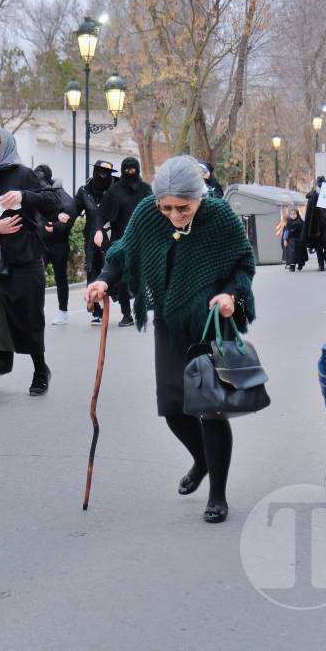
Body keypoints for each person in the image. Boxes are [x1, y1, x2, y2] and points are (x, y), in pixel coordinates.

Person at [85, 156, 257, 524]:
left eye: (183, 207)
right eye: (167, 207)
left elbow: (244, 265)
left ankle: (218, 495)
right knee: (173, 408)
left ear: (199, 197)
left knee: (209, 408)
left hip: (212, 319)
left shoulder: (221, 218)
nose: (175, 214)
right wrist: (103, 280)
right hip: (169, 317)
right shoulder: (149, 212)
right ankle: (201, 460)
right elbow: (123, 253)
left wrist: (231, 296)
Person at [0, 125, 60, 407]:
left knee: (30, 321)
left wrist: (23, 197)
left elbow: (54, 203)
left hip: (25, 263)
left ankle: (40, 369)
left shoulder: (23, 174)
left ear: (6, 145)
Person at [107, 157, 152, 327]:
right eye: (127, 169)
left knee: (140, 277)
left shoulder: (146, 190)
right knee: (121, 280)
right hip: (120, 240)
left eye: (133, 169)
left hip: (142, 241)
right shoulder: (115, 191)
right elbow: (104, 213)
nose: (130, 172)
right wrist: (98, 231)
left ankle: (139, 310)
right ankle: (126, 314)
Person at [33, 164, 76, 326]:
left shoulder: (60, 194)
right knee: (36, 278)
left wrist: (57, 226)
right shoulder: (35, 192)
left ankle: (63, 311)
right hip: (40, 243)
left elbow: (70, 213)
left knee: (60, 277)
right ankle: (35, 311)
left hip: (58, 244)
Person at [74, 159, 115, 325]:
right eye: (99, 172)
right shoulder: (84, 191)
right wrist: (61, 220)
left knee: (113, 268)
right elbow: (73, 209)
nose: (102, 176)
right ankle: (95, 310)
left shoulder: (116, 190)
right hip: (91, 236)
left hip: (112, 236)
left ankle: (126, 310)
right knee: (92, 270)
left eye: (106, 173)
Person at [302, 177, 326, 271]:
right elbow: (310, 214)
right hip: (316, 224)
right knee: (318, 245)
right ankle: (321, 264)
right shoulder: (313, 196)